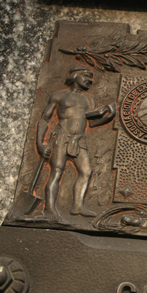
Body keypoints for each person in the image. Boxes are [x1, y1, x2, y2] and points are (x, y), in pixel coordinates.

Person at [37, 65, 115, 222]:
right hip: (61, 137)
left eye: (91, 77)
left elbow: (93, 123)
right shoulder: (58, 96)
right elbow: (44, 119)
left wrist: (109, 115)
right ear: (75, 76)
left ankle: (78, 205)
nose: (89, 80)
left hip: (79, 140)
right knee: (57, 171)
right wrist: (40, 143)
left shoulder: (89, 99)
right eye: (86, 76)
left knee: (86, 171)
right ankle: (50, 208)